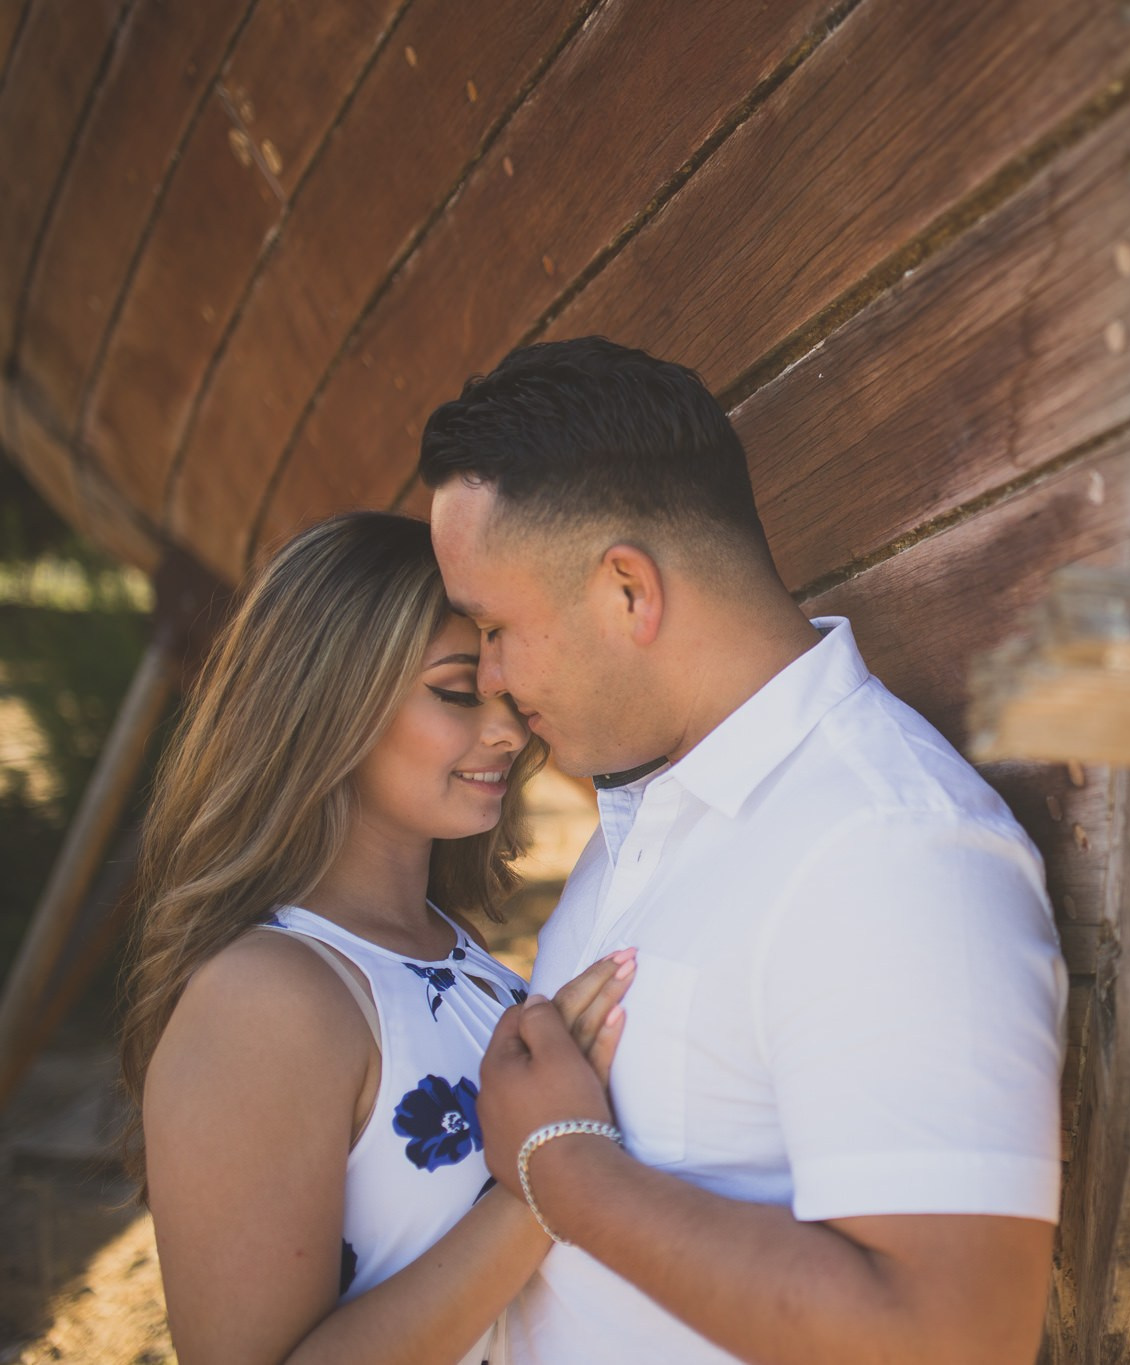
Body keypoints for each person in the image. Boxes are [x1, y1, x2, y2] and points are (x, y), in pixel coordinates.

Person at [420, 336, 1068, 1364]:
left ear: (627, 592)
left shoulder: (888, 850)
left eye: (493, 626)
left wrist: (563, 1169)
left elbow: (955, 1335)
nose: (489, 675)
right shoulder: (645, 820)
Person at [122, 511, 636, 1364]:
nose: (509, 731)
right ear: (330, 700)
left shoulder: (447, 948)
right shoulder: (266, 999)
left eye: (506, 691)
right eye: (457, 691)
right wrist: (545, 1181)